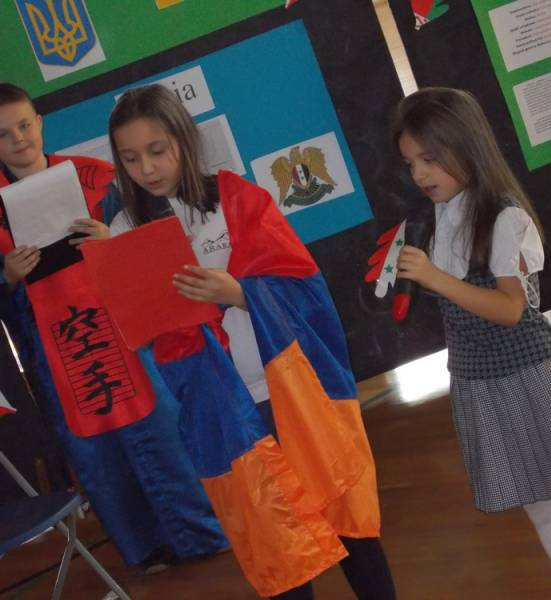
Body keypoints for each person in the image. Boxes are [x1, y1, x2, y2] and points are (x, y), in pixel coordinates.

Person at [104, 84, 396, 599]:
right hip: (220, 408)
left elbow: (305, 287)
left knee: (347, 518)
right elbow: (140, 327)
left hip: (289, 389)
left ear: (183, 140)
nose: (146, 168)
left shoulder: (234, 199)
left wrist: (239, 293)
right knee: (276, 544)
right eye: (130, 158)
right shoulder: (124, 227)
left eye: (156, 150)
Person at [0, 83, 228, 574]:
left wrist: (111, 239)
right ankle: (144, 549)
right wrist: (8, 276)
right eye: (2, 134)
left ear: (39, 123)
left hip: (123, 332)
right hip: (59, 351)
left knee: (161, 429)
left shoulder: (95, 179)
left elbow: (151, 245)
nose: (18, 139)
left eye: (24, 125)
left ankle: (199, 531)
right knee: (98, 452)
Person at [393, 87, 551, 600]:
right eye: (411, 162)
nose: (419, 173)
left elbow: (510, 309)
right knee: (542, 510)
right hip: (481, 382)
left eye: (430, 159)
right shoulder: (439, 218)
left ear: (466, 146)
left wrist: (437, 278)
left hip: (531, 374)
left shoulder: (504, 218)